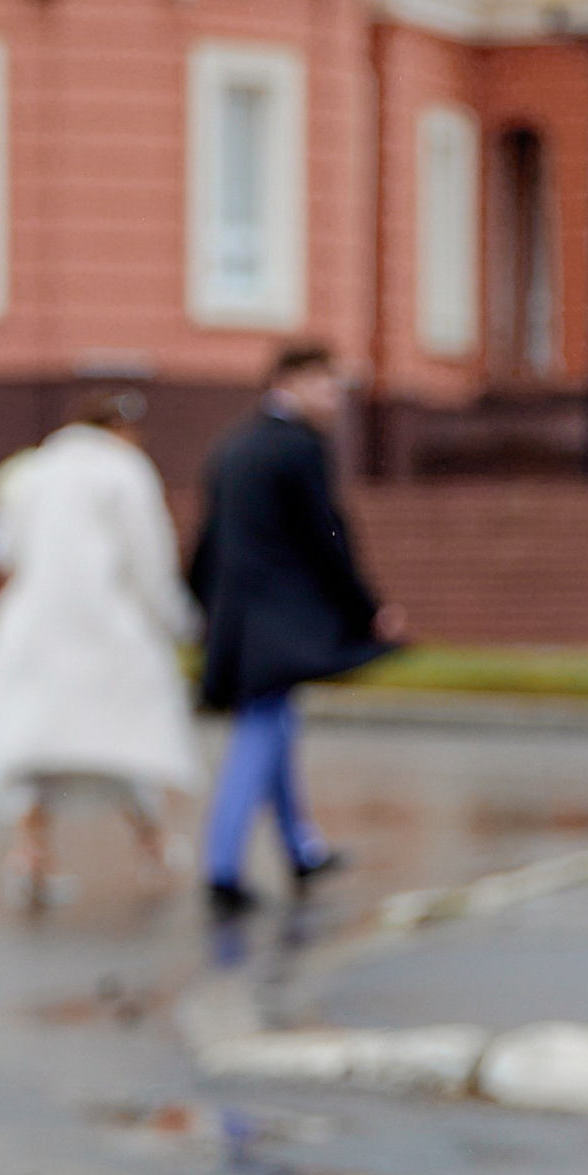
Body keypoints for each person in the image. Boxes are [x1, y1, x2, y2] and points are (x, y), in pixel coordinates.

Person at [0, 389, 200, 910]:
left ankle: (29, 854)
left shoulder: (32, 472)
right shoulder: (125, 472)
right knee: (124, 739)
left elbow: (4, 548)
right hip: (105, 623)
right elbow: (148, 557)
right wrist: (179, 621)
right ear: (120, 430)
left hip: (31, 624)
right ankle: (153, 848)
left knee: (34, 744)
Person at [186, 341, 404, 916]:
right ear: (292, 382)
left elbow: (207, 541)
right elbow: (328, 536)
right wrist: (366, 608)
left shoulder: (231, 445)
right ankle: (222, 867)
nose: (336, 400)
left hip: (238, 617)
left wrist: (201, 608)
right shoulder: (299, 448)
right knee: (261, 729)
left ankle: (300, 848)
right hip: (278, 618)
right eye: (327, 386)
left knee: (275, 722)